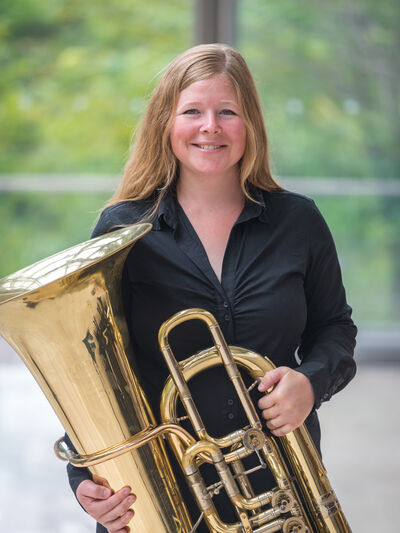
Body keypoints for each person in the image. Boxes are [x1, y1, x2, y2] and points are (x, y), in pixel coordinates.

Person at [66, 43, 357, 533]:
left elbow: (335, 327)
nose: (210, 127)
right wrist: (83, 478)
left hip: (282, 489)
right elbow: (93, 371)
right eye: (193, 111)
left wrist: (310, 382)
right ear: (166, 122)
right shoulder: (121, 231)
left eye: (228, 112)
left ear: (251, 126)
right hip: (160, 496)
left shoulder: (298, 221)